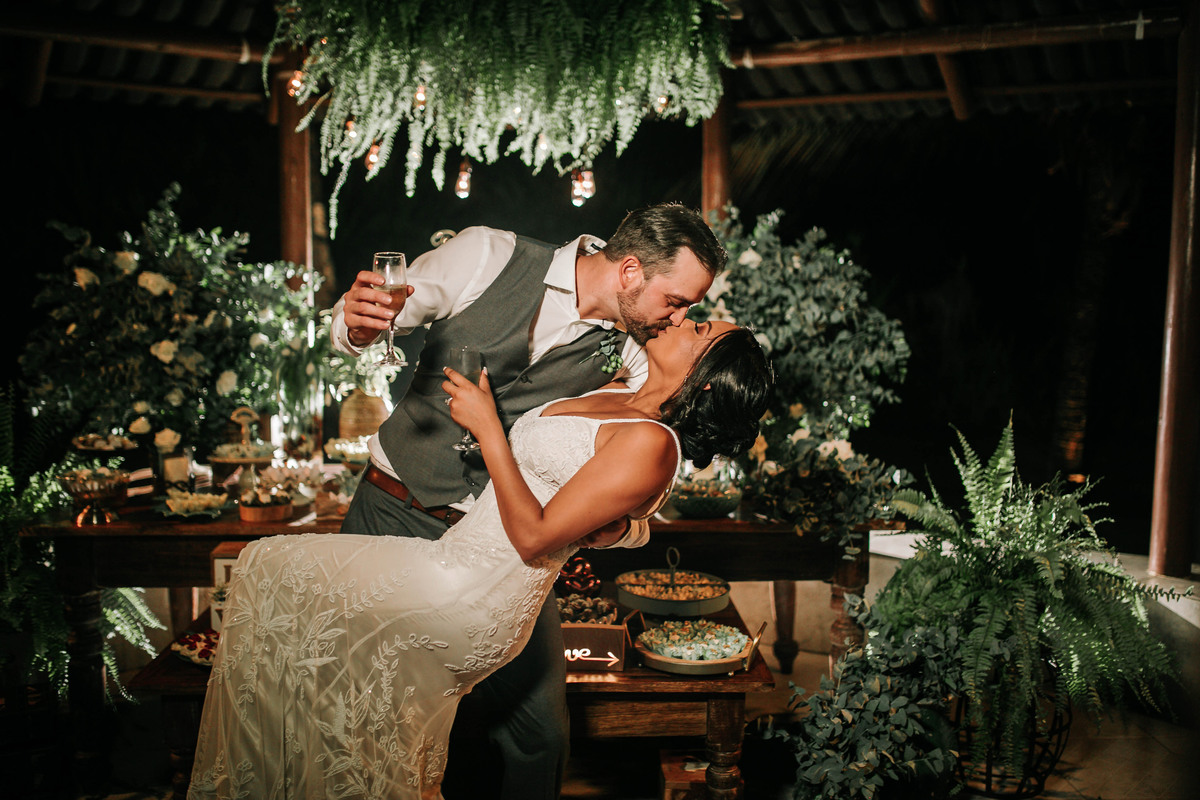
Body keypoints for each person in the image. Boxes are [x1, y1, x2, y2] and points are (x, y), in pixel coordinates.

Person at [187, 319, 772, 800]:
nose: (680, 318)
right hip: (449, 561)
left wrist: (490, 429)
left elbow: (535, 537)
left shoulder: (654, 442)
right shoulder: (625, 388)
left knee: (272, 571)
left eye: (697, 328)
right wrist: (624, 528)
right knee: (315, 652)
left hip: (476, 597)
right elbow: (618, 512)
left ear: (708, 383)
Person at [328, 203, 726, 797]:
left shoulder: (641, 357)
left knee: (540, 734)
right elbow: (385, 311)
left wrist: (617, 531)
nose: (680, 318)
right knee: (363, 711)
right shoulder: (487, 254)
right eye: (677, 301)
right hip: (389, 510)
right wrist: (353, 324)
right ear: (631, 272)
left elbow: (646, 477)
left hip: (505, 553)